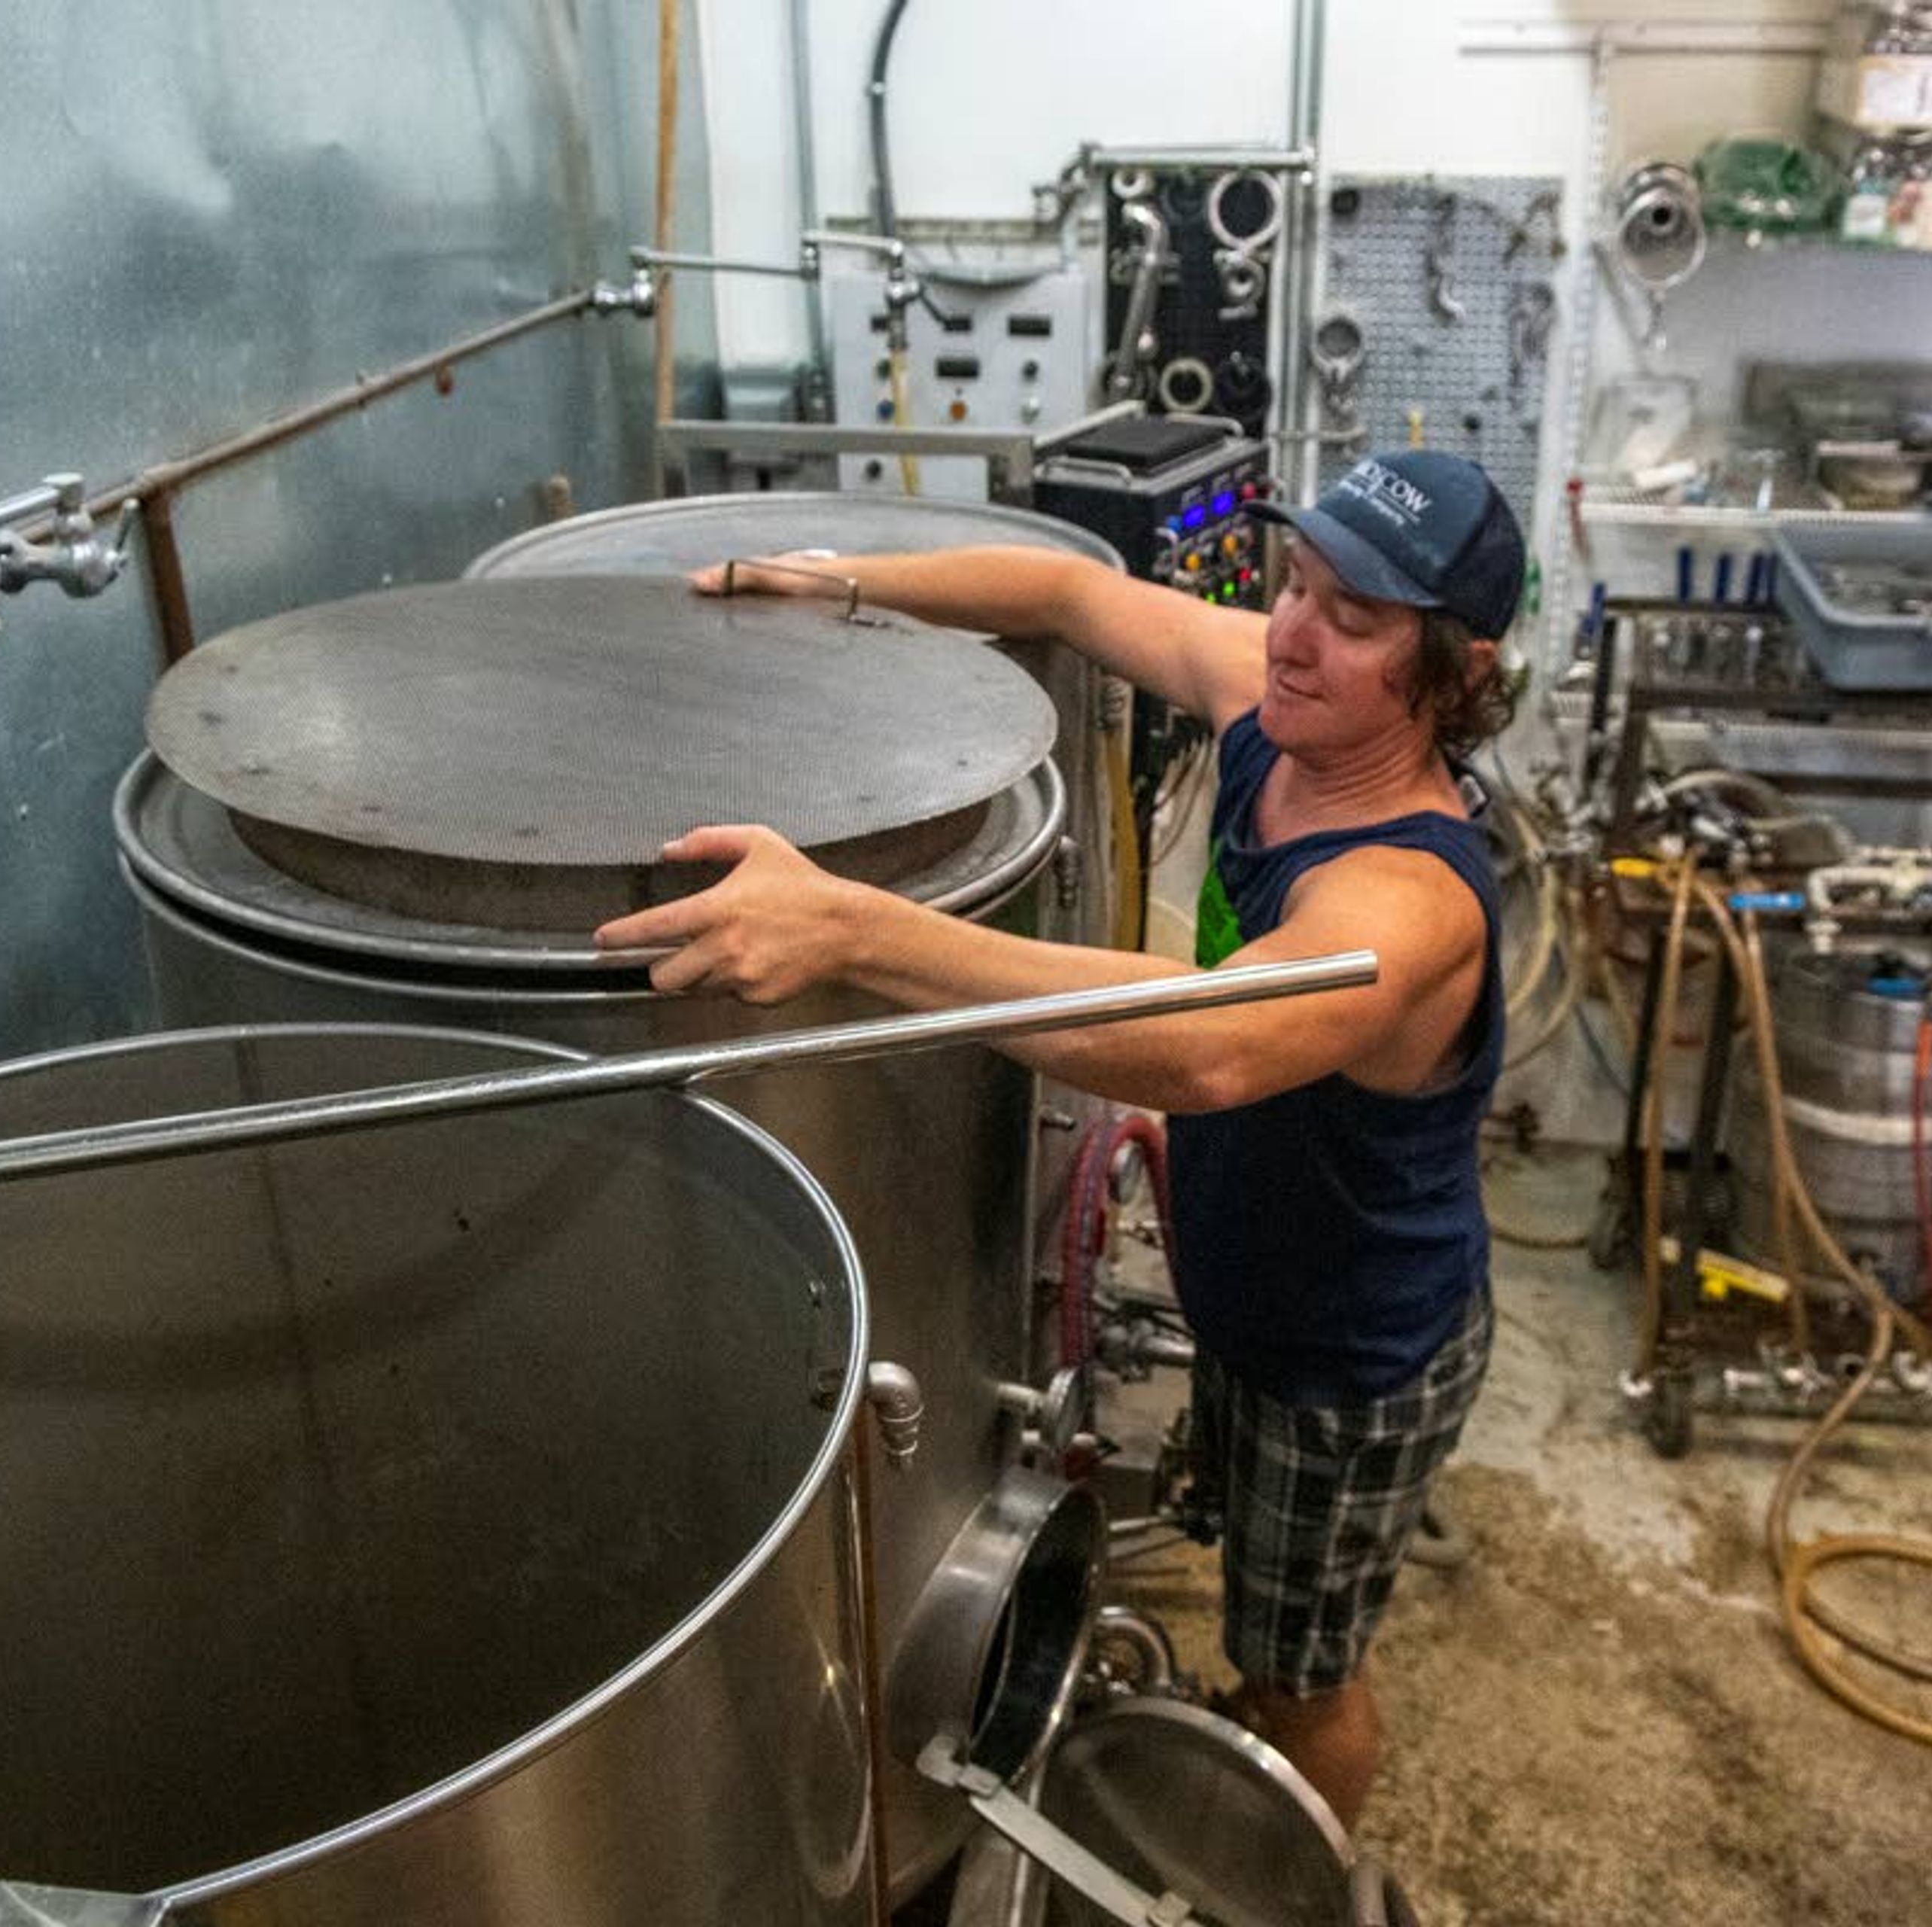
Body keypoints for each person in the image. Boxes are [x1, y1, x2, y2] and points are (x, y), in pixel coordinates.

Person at [594, 450, 1524, 1827]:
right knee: (1254, 1576)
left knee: (1298, 1675)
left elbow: (1209, 1044)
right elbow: (1071, 591)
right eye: (1293, 582)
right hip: (1259, 1291)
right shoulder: (1284, 718)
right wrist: (837, 584)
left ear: (1453, 673)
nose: (1290, 631)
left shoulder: (1409, 898)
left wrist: (856, 928)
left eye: (1355, 617)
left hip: (1354, 1352)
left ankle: (1299, 1860)